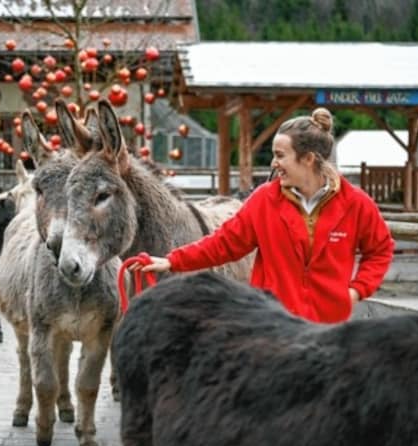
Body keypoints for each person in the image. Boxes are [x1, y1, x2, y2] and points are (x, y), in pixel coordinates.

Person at [132, 108, 394, 323]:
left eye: (280, 155)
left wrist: (356, 290)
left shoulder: (356, 204)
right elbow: (223, 244)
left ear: (309, 159)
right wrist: (172, 261)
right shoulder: (264, 200)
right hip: (271, 325)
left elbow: (381, 249)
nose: (273, 164)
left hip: (330, 331)